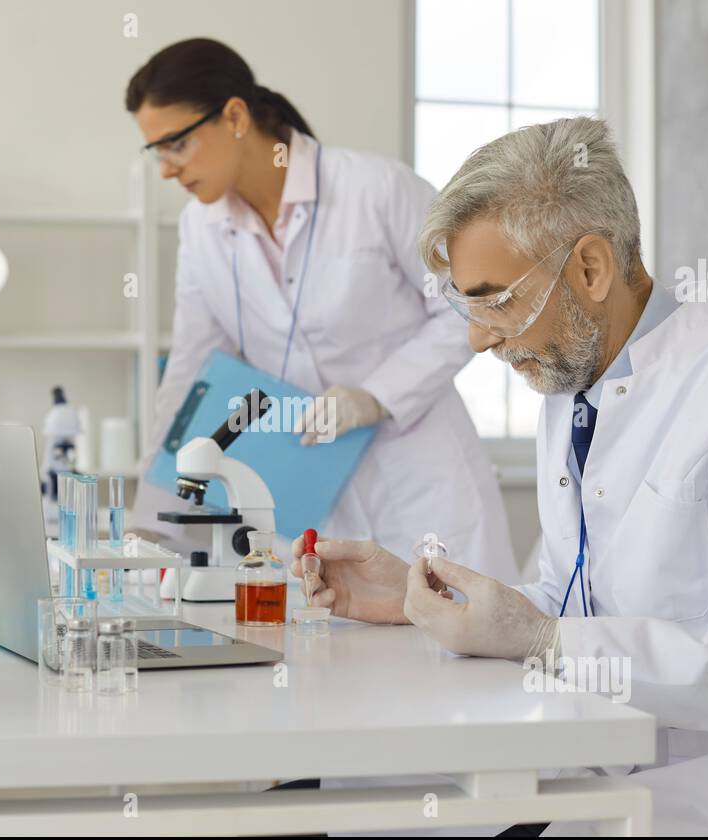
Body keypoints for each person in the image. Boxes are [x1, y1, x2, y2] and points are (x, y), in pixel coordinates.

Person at [296, 117, 708, 837]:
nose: (477, 337)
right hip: (594, 762)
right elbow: (570, 601)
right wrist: (414, 596)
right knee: (363, 820)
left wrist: (546, 642)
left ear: (590, 269)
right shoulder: (572, 383)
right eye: (463, 306)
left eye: (495, 299)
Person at [124, 38, 516, 581]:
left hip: (423, 483)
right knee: (331, 656)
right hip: (306, 497)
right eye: (155, 152)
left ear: (234, 116)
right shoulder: (201, 229)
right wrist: (151, 519)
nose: (166, 170)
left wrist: (377, 396)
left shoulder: (374, 189)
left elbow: (472, 307)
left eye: (177, 144)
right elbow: (193, 371)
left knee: (458, 651)